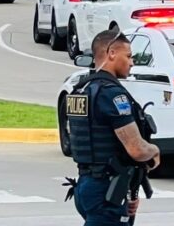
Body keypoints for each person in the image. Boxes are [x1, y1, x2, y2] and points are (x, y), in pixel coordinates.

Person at [65, 30, 160, 225]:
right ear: (111, 53)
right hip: (105, 191)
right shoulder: (112, 94)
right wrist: (154, 151)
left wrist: (128, 192)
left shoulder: (80, 90)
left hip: (88, 185)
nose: (132, 62)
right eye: (129, 56)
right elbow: (136, 150)